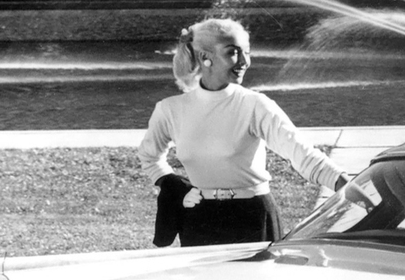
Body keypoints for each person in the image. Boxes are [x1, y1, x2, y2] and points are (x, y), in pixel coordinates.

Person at [139, 17, 346, 247]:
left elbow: (302, 154)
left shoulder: (255, 105)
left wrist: (346, 184)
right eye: (233, 52)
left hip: (254, 218)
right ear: (205, 57)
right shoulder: (170, 110)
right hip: (198, 220)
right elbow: (149, 156)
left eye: (247, 52)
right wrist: (173, 185)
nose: (245, 62)